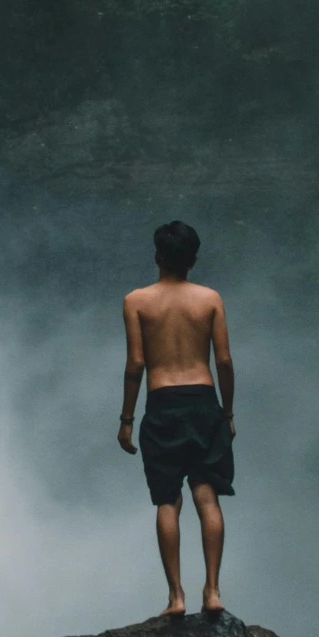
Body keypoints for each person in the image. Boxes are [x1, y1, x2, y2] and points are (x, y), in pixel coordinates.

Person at [117, 220, 235, 616]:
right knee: (207, 496)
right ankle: (213, 592)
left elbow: (136, 363)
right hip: (204, 401)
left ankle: (176, 597)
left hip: (163, 402)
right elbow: (223, 361)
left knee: (168, 501)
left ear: (157, 256)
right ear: (194, 259)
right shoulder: (210, 299)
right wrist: (228, 412)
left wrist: (127, 418)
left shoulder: (136, 300)